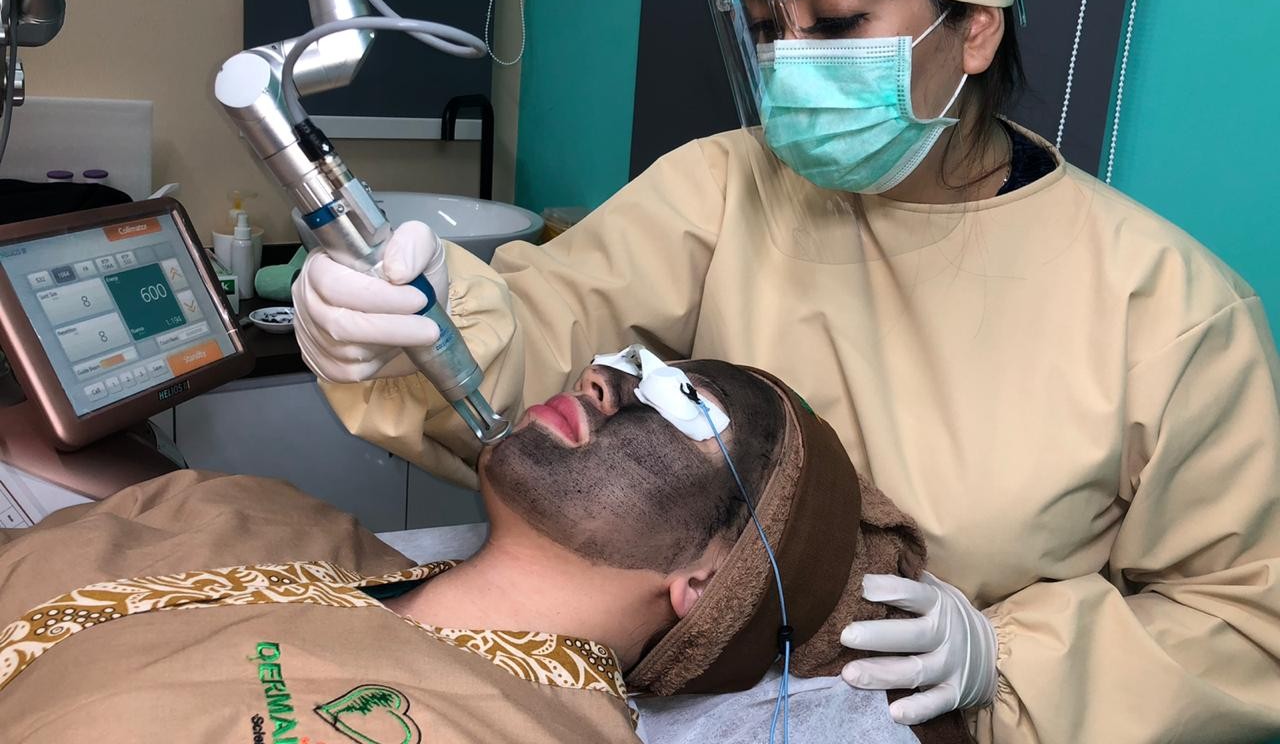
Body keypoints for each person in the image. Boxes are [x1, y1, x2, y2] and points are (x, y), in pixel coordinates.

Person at [292, 0, 1280, 741]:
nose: (793, 61)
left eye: (837, 18)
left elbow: (1243, 624)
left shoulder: (1164, 307)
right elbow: (540, 344)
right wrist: (418, 325)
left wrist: (1009, 663)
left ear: (975, 27)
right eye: (767, 27)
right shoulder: (724, 188)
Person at [0, 356, 967, 744]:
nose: (603, 379)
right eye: (630, 362)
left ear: (708, 579)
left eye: (684, 403)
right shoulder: (251, 510)